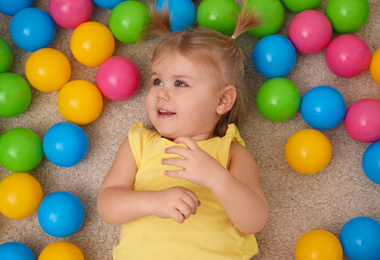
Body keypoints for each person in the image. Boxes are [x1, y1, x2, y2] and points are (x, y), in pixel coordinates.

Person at [97, 4, 268, 259]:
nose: (161, 93)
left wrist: (216, 178)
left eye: (180, 83)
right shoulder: (139, 144)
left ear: (222, 101)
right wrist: (153, 202)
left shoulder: (231, 153)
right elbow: (107, 205)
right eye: (157, 81)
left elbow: (254, 220)